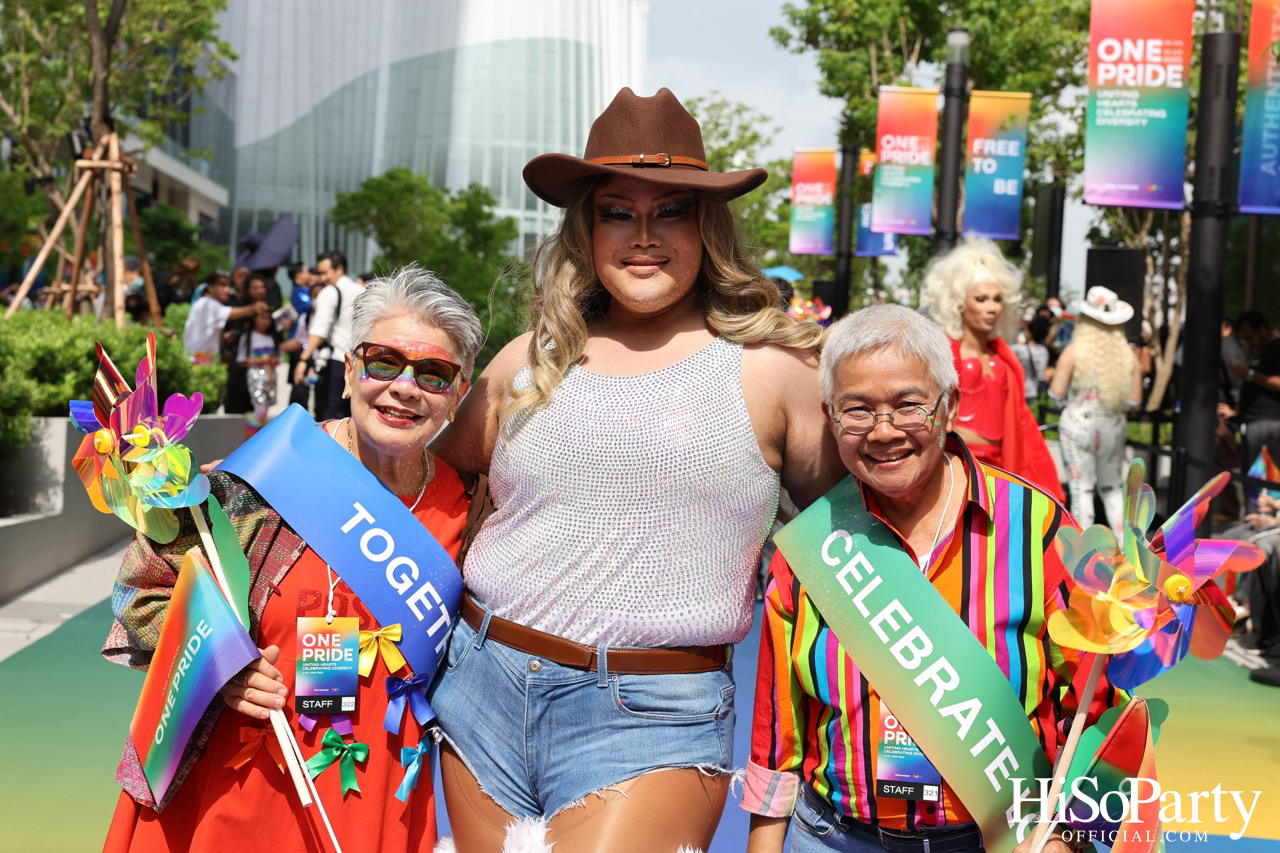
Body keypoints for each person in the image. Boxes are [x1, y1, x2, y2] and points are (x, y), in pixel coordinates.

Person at [428, 86, 844, 853]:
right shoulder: (530, 359)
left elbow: (866, 543)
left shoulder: (774, 370)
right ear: (586, 228)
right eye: (617, 210)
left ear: (707, 224)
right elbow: (421, 491)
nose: (643, 235)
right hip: (480, 688)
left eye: (672, 209)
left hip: (658, 715)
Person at [102, 267, 486, 852]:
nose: (405, 387)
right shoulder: (258, 480)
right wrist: (220, 669)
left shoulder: (470, 508)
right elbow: (143, 597)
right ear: (352, 369)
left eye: (434, 373)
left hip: (378, 788)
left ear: (458, 395)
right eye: (385, 362)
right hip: (242, 778)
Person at [743, 304, 1119, 853]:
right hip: (834, 838)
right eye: (857, 410)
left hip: (1003, 841)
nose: (884, 431)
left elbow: (1093, 697)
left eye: (908, 406)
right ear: (830, 415)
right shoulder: (809, 549)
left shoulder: (1039, 531)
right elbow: (777, 735)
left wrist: (1070, 835)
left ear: (949, 408)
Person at [921, 239, 1066, 502]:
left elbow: (1022, 421)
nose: (992, 307)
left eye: (997, 299)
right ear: (959, 302)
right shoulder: (944, 353)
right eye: (981, 299)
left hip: (1001, 465)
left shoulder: (1004, 359)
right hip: (955, 462)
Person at [1048, 287, 1143, 534]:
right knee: (1112, 490)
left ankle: (1083, 557)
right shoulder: (1129, 356)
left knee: (1082, 490)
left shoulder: (1073, 351)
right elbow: (1135, 400)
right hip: (1113, 425)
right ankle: (1128, 553)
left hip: (1077, 424)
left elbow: (1056, 393)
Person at [296, 250, 364, 421]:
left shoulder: (329, 292)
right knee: (352, 418)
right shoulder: (363, 291)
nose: (322, 278)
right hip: (359, 364)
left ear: (339, 269)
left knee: (329, 417)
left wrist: (303, 359)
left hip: (334, 363)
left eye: (324, 273)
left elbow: (319, 330)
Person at [1227, 310, 1280, 482]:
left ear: (1263, 329)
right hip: (1254, 423)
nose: (1249, 343)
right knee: (1252, 478)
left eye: (1250, 338)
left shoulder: (1277, 348)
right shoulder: (1261, 351)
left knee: (1261, 480)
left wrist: (1249, 375)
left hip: (1268, 423)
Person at [182, 271, 266, 366]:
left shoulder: (207, 303)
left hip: (201, 359)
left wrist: (223, 339)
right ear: (211, 287)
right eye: (222, 286)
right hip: (197, 361)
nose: (227, 290)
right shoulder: (207, 304)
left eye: (229, 286)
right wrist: (253, 308)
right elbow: (231, 313)